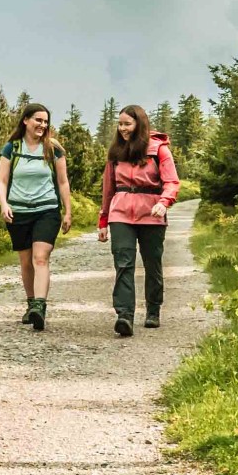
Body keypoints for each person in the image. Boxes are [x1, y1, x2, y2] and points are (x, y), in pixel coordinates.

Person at [96, 104, 179, 337]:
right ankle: (125, 315)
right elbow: (108, 189)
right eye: (120, 124)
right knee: (123, 262)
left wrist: (164, 202)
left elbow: (172, 181)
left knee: (152, 263)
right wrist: (103, 221)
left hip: (152, 212)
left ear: (138, 124)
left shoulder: (159, 149)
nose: (122, 129)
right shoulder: (115, 153)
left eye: (127, 124)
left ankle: (153, 310)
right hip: (120, 213)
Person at [0, 103, 72, 331]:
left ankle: (40, 306)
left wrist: (67, 211)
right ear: (26, 121)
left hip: (47, 210)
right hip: (18, 212)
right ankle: (31, 303)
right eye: (38, 120)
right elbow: (2, 181)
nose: (42, 125)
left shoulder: (53, 149)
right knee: (26, 262)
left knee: (41, 258)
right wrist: (4, 204)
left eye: (46, 121)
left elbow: (62, 182)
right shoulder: (12, 148)